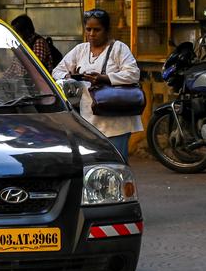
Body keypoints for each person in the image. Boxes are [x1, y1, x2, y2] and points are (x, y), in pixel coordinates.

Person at [51, 9, 142, 161]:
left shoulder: (119, 48)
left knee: (116, 164)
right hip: (88, 119)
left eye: (97, 30)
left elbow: (133, 74)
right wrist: (70, 77)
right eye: (89, 29)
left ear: (107, 31)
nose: (92, 34)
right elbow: (57, 71)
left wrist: (105, 78)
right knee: (94, 167)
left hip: (116, 121)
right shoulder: (81, 50)